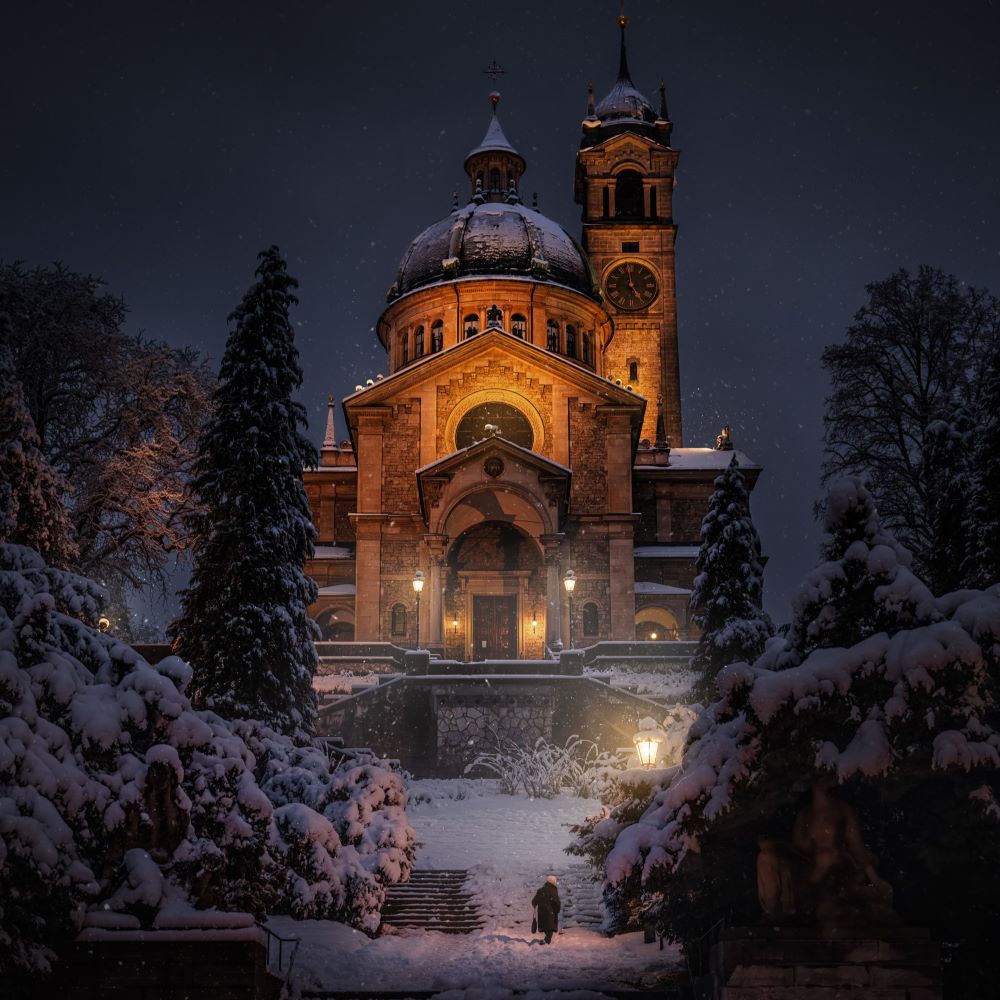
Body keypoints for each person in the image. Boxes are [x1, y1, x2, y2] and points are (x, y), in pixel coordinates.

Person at [532, 875, 561, 944]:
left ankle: (546, 940)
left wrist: (541, 905)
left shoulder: (541, 890)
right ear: (553, 882)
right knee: (550, 928)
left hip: (542, 914)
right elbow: (556, 902)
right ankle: (546, 941)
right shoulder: (553, 889)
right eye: (555, 881)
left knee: (546, 927)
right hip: (550, 913)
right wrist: (557, 909)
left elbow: (534, 902)